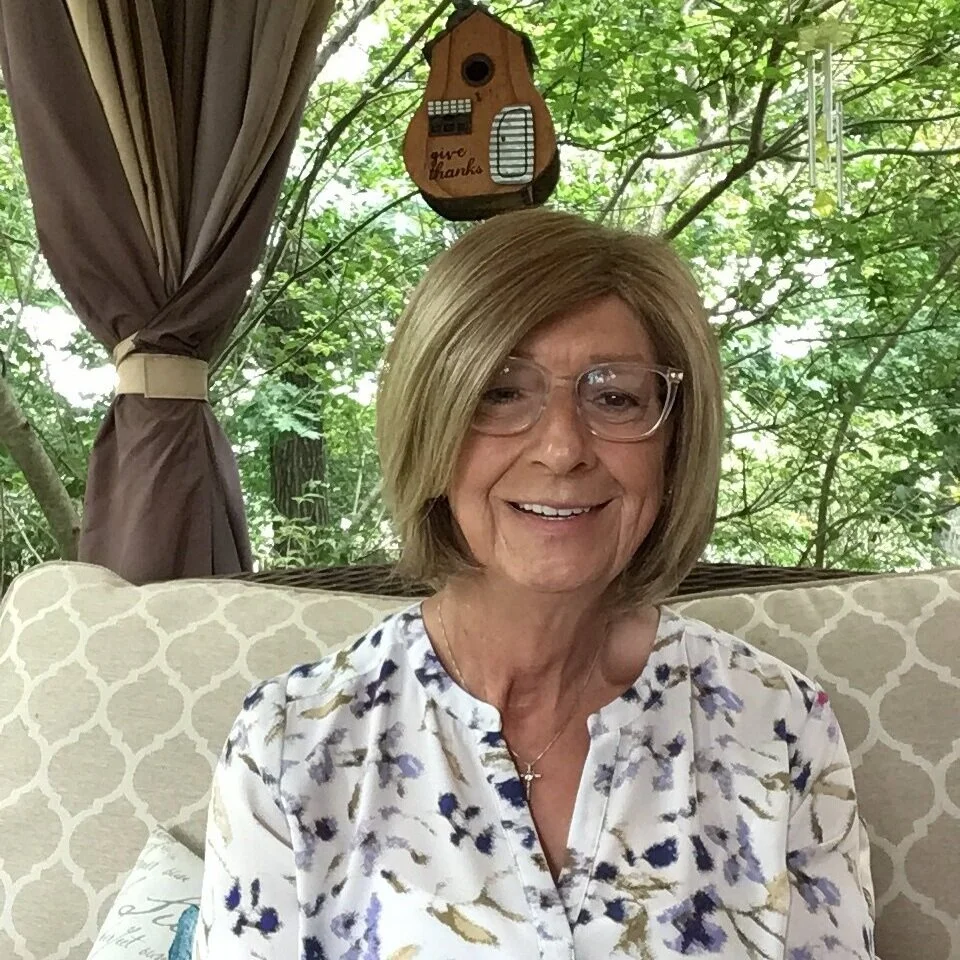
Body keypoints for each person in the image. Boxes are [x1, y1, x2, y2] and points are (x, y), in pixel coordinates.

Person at [193, 208, 875, 959]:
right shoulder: (290, 741)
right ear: (431, 422)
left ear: (674, 443)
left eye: (614, 396)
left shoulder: (779, 724)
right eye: (500, 392)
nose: (561, 448)